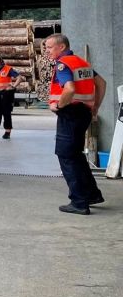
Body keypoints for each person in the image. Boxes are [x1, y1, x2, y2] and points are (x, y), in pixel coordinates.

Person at [43, 34, 107, 215]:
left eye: (49, 47)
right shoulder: (81, 62)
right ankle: (92, 195)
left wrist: (59, 106)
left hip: (70, 114)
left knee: (66, 156)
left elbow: (69, 89)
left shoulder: (63, 64)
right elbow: (101, 83)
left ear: (61, 47)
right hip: (83, 113)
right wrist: (94, 108)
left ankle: (79, 202)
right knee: (76, 155)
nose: (47, 51)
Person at [0, 55, 26, 140]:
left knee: (6, 113)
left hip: (6, 94)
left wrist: (14, 86)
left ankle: (7, 132)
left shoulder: (8, 69)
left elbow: (19, 78)